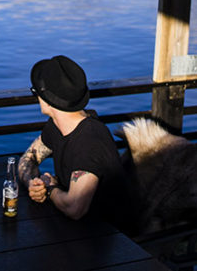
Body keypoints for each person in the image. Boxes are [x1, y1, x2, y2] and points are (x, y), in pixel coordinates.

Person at [18, 55, 132, 230]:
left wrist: (50, 190)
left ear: (48, 100)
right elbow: (28, 158)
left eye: (36, 92)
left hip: (112, 240)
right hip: (78, 231)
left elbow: (75, 208)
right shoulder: (56, 126)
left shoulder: (90, 141)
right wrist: (34, 184)